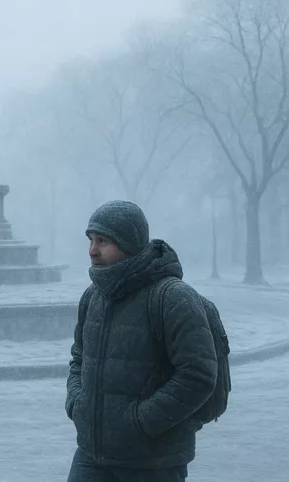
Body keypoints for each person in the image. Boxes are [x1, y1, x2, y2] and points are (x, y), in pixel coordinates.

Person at [65, 200, 218, 482]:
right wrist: (77, 403)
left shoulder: (172, 297)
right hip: (92, 455)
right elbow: (79, 358)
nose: (92, 250)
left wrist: (140, 422)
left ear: (129, 243)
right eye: (90, 240)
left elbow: (198, 375)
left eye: (102, 241)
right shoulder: (93, 296)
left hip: (154, 461)